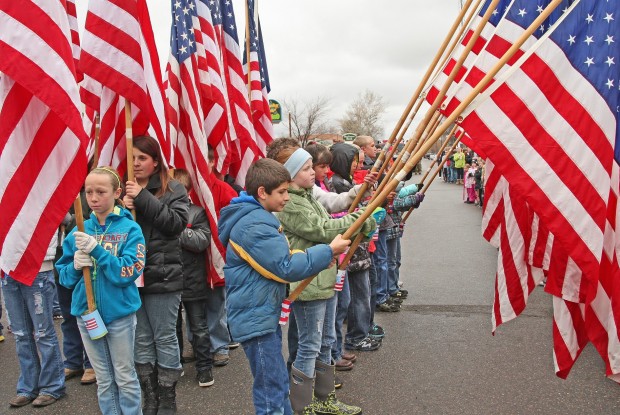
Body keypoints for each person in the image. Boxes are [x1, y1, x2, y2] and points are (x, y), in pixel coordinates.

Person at [218, 158, 350, 415]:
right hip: (255, 317)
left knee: (276, 383)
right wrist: (327, 251)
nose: (287, 198)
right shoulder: (254, 225)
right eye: (281, 192)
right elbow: (285, 266)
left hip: (262, 313)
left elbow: (282, 257)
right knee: (271, 390)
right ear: (262, 192)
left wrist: (320, 258)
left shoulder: (258, 217)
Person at [275, 145, 375, 414]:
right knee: (309, 345)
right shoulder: (292, 203)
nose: (314, 172)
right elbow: (321, 230)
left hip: (326, 279)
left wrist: (357, 219)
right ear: (292, 174)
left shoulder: (307, 196)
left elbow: (330, 218)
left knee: (326, 341)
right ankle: (302, 406)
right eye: (307, 169)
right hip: (308, 284)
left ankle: (324, 399)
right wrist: (359, 219)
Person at [57, 166, 145, 415]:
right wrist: (75, 266)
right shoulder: (78, 230)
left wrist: (98, 251)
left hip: (119, 315)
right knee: (104, 379)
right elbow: (64, 278)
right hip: (87, 314)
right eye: (88, 192)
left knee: (125, 377)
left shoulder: (130, 230)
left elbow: (127, 273)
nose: (93, 198)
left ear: (117, 192)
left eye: (100, 192)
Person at [123, 135, 189, 415]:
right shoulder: (120, 189)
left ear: (155, 161)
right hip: (129, 278)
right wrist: (121, 209)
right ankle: (149, 396)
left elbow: (175, 224)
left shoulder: (173, 188)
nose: (136, 163)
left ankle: (167, 395)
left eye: (142, 158)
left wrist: (142, 198)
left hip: (163, 277)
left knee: (164, 337)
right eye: (133, 157)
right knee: (140, 339)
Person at [3, 234, 65, 408]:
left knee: (43, 333)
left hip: (37, 266)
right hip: (8, 267)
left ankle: (52, 386)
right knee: (20, 334)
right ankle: (28, 387)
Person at [172, 169, 215, 387]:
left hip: (193, 279)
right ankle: (175, 364)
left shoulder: (197, 212)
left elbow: (201, 241)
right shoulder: (161, 212)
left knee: (198, 327)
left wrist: (174, 226)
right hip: (169, 280)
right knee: (172, 328)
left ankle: (205, 367)